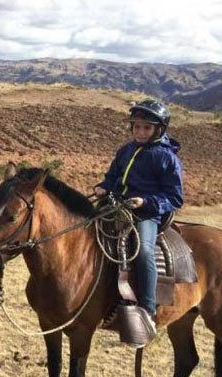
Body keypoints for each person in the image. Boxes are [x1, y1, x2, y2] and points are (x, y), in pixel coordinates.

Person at [93, 98, 184, 341]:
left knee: (143, 251)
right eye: (136, 126)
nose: (140, 132)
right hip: (117, 206)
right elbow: (113, 177)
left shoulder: (167, 158)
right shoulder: (125, 150)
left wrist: (146, 202)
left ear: (158, 129)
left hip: (147, 214)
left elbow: (174, 197)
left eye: (146, 127)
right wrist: (104, 187)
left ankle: (147, 307)